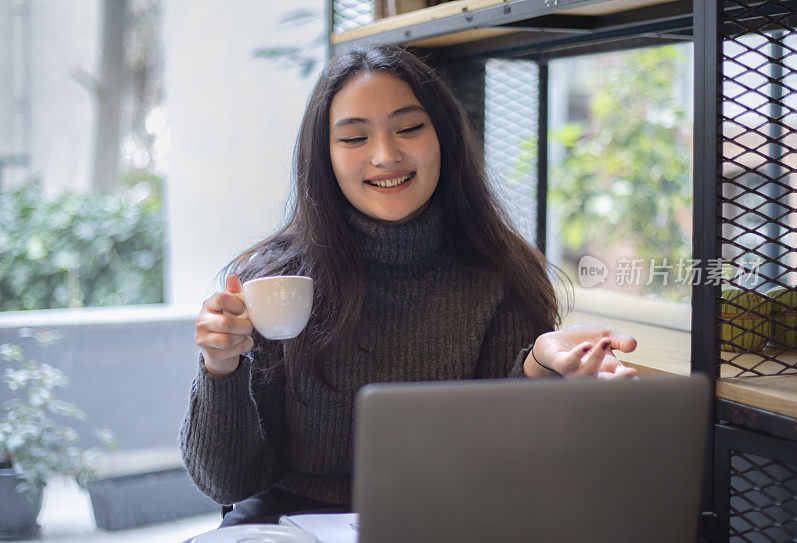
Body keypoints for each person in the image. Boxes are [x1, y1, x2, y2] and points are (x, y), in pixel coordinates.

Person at [182, 44, 638, 525]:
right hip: (289, 522)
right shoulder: (275, 283)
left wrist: (539, 368)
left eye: (409, 128)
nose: (386, 155)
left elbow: (508, 466)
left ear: (443, 137)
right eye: (354, 138)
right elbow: (227, 483)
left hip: (444, 520)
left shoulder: (499, 275)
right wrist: (220, 368)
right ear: (325, 156)